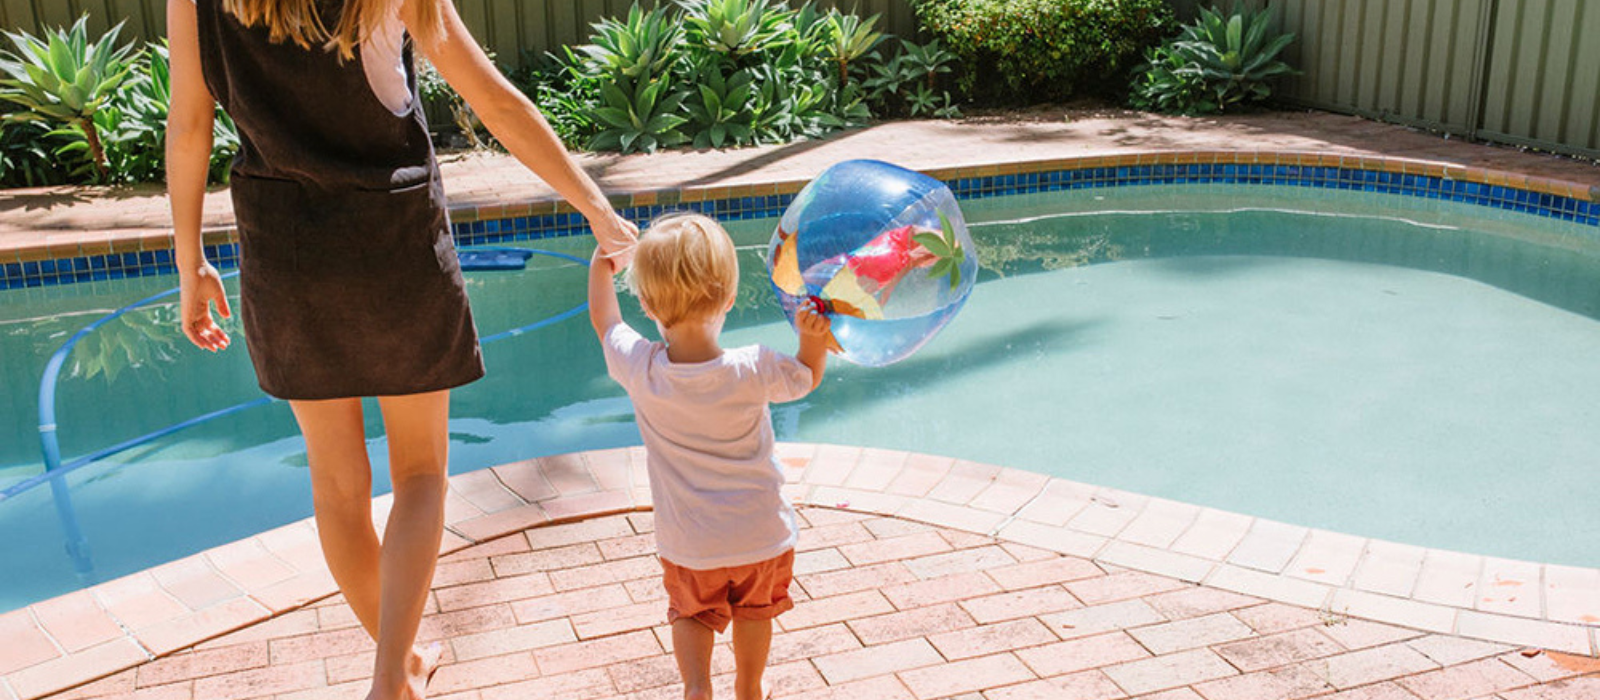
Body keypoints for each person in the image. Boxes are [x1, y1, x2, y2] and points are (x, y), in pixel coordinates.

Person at [165, 0, 637, 697]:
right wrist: (597, 208)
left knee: (337, 487)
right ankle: (393, 675)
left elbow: (188, 121)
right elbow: (494, 103)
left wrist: (188, 261)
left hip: (285, 249)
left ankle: (402, 669)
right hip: (395, 241)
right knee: (420, 475)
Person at [587, 213, 830, 700]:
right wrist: (812, 339)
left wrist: (602, 260)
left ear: (648, 303)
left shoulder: (641, 368)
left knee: (693, 614)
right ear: (730, 298)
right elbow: (807, 376)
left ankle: (697, 688)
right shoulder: (754, 366)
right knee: (754, 612)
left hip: (691, 543)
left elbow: (605, 320)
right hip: (761, 535)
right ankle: (749, 687)